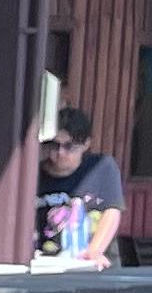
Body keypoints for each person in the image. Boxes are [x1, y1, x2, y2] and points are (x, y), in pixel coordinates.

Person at [37, 105, 126, 267]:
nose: (60, 153)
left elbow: (112, 211)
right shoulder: (35, 175)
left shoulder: (102, 167)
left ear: (86, 144)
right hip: (46, 264)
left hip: (95, 265)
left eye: (69, 146)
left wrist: (94, 251)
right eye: (54, 145)